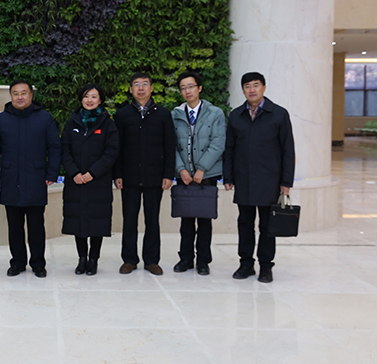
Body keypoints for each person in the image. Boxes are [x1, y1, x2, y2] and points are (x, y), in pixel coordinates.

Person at [223, 72, 295, 283]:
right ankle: (246, 264)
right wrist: (228, 176)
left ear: (264, 88)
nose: (252, 89)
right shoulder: (236, 115)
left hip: (270, 181)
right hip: (244, 179)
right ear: (243, 90)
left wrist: (286, 182)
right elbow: (230, 149)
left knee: (267, 225)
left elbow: (287, 150)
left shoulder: (279, 114)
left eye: (256, 85)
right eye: (247, 86)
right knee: (245, 223)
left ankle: (266, 266)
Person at [0, 80, 61, 278]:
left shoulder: (44, 118)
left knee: (36, 225)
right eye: (15, 93)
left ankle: (38, 263)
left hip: (36, 178)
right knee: (14, 225)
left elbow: (54, 147)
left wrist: (52, 173)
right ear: (11, 96)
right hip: (10, 177)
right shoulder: (2, 119)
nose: (19, 97)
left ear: (31, 95)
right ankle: (17, 262)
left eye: (24, 93)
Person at [113, 72, 176, 276]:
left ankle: (151, 260)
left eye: (145, 84)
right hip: (129, 176)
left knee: (152, 219)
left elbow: (169, 145)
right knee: (129, 218)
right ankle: (129, 259)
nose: (141, 88)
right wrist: (118, 174)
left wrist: (168, 174)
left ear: (151, 88)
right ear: (130, 89)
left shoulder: (163, 114)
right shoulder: (122, 115)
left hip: (155, 176)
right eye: (136, 85)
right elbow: (117, 148)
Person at [171, 70, 226, 275]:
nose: (187, 91)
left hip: (207, 174)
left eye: (191, 86)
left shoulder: (215, 113)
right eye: (183, 87)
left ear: (199, 88)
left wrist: (202, 168)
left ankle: (203, 261)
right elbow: (172, 145)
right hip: (183, 174)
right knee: (186, 220)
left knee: (204, 220)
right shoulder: (175, 115)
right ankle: (185, 259)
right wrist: (181, 169)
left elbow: (218, 142)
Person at [61, 84, 119, 276]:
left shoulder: (107, 123)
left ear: (100, 100)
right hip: (75, 181)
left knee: (97, 222)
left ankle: (93, 259)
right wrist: (74, 173)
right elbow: (64, 149)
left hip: (98, 181)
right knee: (77, 221)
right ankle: (82, 258)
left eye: (94, 97)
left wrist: (92, 173)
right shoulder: (72, 122)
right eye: (86, 96)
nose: (90, 100)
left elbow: (111, 153)